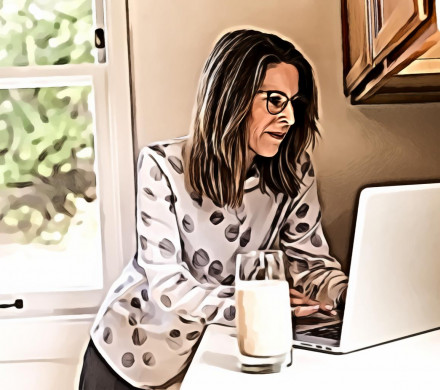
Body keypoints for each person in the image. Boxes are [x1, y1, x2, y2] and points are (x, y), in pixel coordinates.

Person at [78, 29, 348, 390]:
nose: (290, 118)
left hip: (209, 359)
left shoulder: (294, 172)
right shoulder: (162, 165)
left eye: (294, 103)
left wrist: (349, 293)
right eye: (274, 101)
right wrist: (259, 306)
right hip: (128, 359)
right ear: (230, 98)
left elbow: (308, 264)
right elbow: (169, 285)